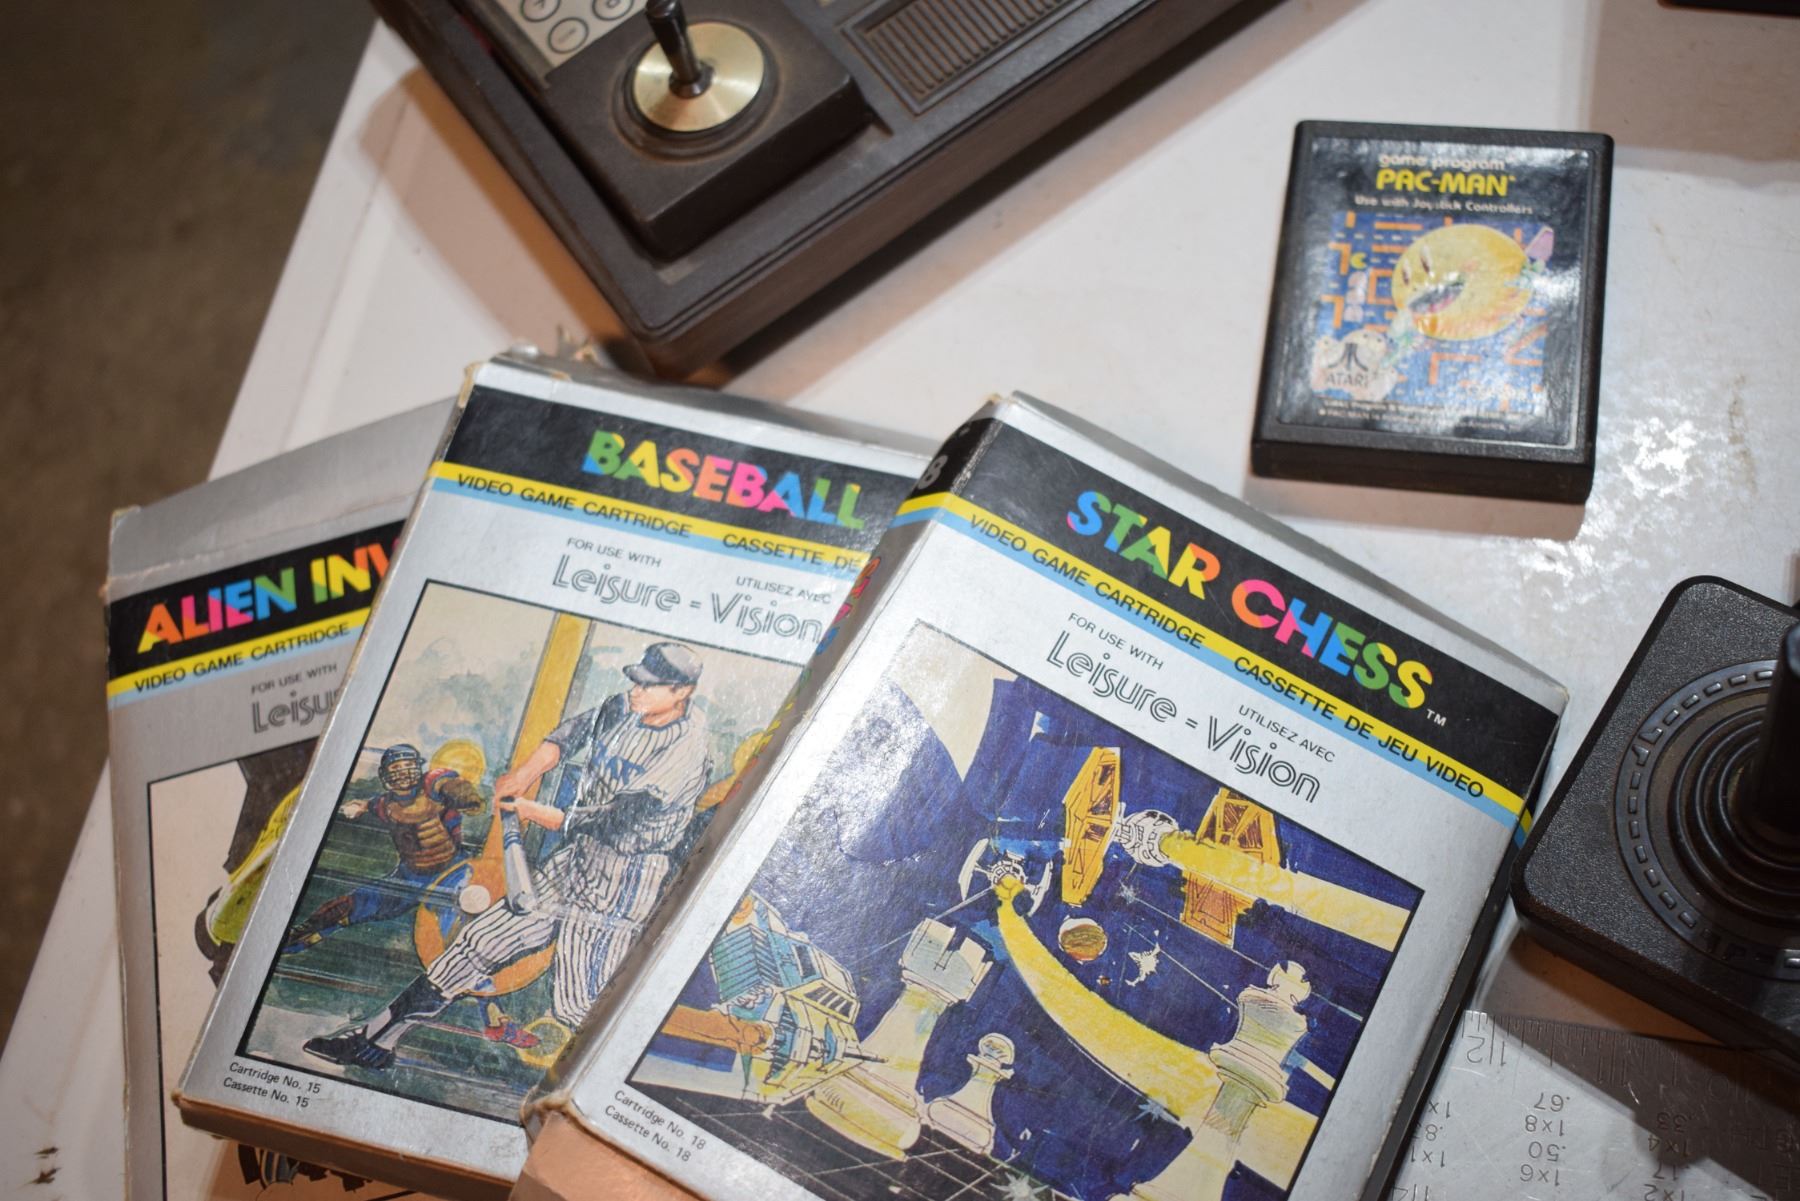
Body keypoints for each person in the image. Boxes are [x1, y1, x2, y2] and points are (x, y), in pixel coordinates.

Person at [303, 642, 712, 1070]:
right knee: (478, 943)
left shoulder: (687, 748)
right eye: (637, 681)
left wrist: (537, 813)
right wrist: (524, 774)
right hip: (578, 858)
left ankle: (623, 1076)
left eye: (649, 685)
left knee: (579, 1003)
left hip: (628, 873)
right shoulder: (627, 707)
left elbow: (617, 818)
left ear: (681, 692)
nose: (637, 690)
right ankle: (374, 1043)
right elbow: (570, 735)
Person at [282, 744, 482, 953]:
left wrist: (466, 797)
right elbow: (368, 804)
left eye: (407, 765)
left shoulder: (430, 785)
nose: (402, 772)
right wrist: (357, 807)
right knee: (352, 905)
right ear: (385, 774)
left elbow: (448, 784)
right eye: (395, 767)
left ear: (417, 767)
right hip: (411, 877)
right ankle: (296, 940)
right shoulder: (385, 805)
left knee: (457, 927)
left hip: (452, 871)